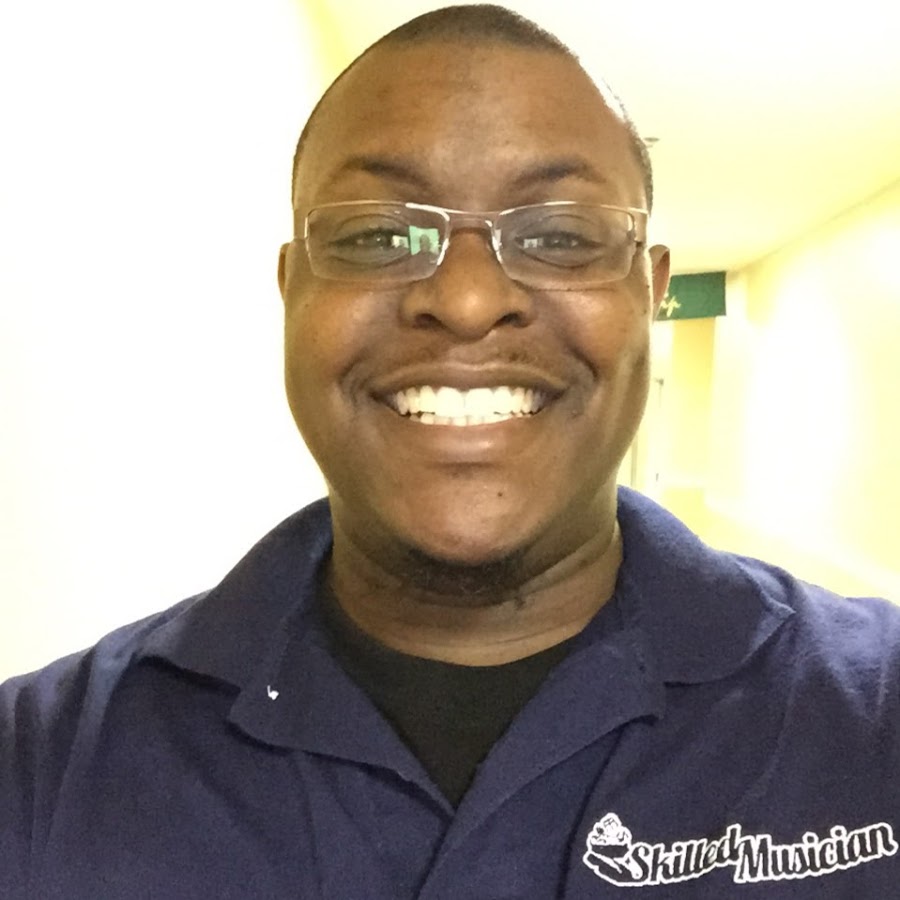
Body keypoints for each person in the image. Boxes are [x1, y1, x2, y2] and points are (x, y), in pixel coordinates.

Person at [2, 5, 899, 898]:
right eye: (378, 236)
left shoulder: (873, 714)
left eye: (559, 236)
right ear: (292, 290)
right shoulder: (40, 765)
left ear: (649, 293)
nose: (468, 301)